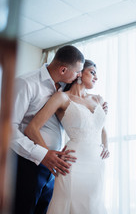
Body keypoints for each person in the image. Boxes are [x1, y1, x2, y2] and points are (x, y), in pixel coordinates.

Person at [24, 59, 110, 214]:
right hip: (73, 162)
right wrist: (49, 155)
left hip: (97, 164)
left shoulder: (98, 99)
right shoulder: (61, 98)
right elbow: (32, 128)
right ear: (79, 73)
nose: (96, 77)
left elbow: (102, 129)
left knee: (93, 205)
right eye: (92, 72)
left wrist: (106, 146)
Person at [11, 45, 86, 214]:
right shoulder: (26, 83)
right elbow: (7, 130)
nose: (79, 75)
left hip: (50, 165)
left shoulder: (63, 88)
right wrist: (43, 154)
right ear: (63, 69)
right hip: (25, 161)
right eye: (77, 72)